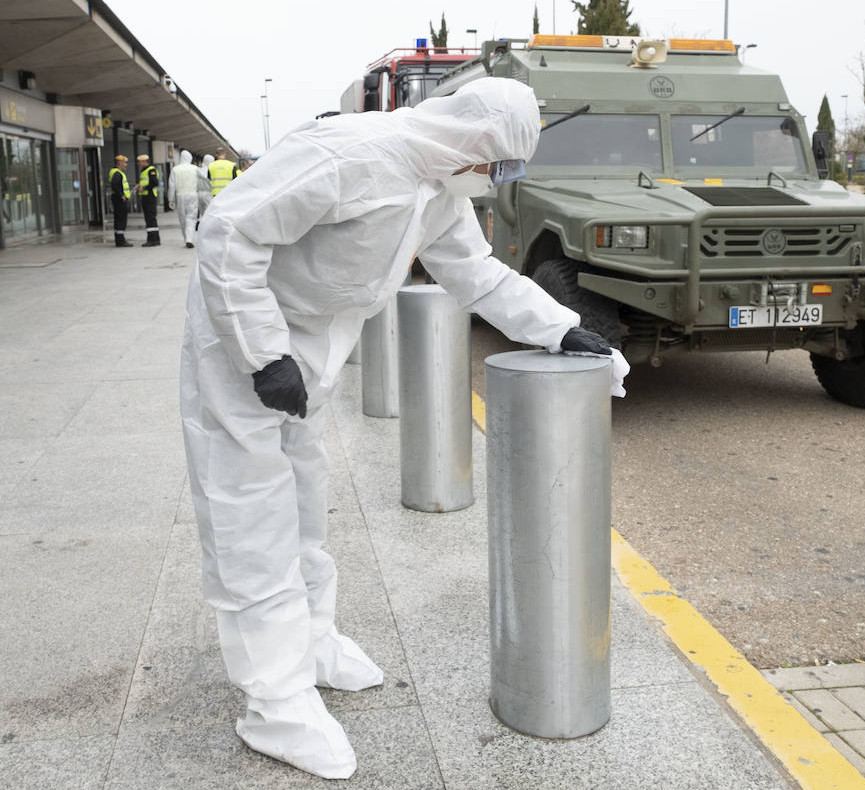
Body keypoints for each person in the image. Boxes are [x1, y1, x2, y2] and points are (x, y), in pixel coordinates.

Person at [180, 78, 625, 780]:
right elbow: (230, 230)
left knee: (302, 499)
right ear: (473, 144)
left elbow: (476, 273)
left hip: (308, 355)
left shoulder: (438, 188)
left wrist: (564, 328)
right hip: (243, 349)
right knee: (251, 514)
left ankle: (313, 640)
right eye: (499, 167)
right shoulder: (349, 155)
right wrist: (262, 353)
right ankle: (274, 700)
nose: (496, 183)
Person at [170, 150, 205, 248]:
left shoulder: (175, 169)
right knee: (191, 217)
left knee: (182, 218)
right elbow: (204, 179)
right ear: (190, 158)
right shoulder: (195, 168)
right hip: (192, 195)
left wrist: (170, 199)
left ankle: (186, 238)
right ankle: (189, 239)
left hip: (180, 196)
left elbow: (171, 185)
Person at [136, 153, 162, 247]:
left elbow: (154, 182)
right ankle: (154, 239)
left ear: (144, 162)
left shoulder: (151, 170)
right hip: (146, 197)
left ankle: (152, 240)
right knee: (150, 218)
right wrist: (140, 185)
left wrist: (144, 188)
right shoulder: (145, 170)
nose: (138, 164)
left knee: (150, 218)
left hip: (149, 197)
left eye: (139, 162)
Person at [108, 154, 132, 247]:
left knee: (119, 219)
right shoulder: (117, 173)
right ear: (119, 163)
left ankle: (119, 239)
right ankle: (121, 241)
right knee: (121, 219)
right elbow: (115, 185)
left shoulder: (116, 172)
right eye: (124, 162)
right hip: (119, 199)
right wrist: (122, 195)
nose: (125, 165)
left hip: (118, 198)